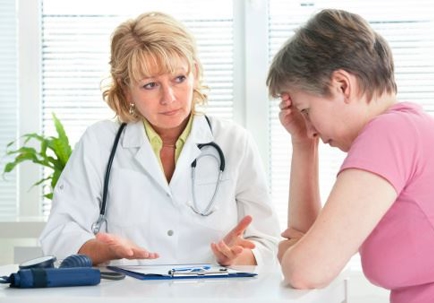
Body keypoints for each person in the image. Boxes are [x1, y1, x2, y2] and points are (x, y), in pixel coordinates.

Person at [40, 11, 280, 267]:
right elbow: (59, 233)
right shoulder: (99, 143)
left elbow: (267, 240)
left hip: (211, 292)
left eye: (179, 79)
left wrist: (237, 257)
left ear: (195, 73)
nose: (170, 98)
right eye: (150, 85)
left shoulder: (233, 142)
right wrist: (104, 250)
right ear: (126, 88)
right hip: (127, 293)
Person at [266, 8, 434, 303]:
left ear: (342, 85)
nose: (310, 128)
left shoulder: (390, 133)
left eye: (306, 111)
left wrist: (293, 253)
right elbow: (308, 241)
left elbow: (307, 270)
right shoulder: (409, 129)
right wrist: (303, 146)